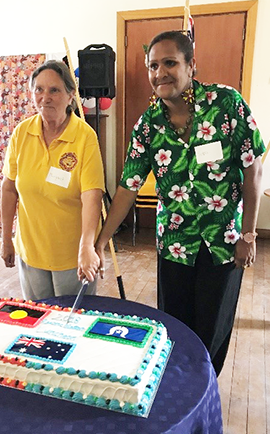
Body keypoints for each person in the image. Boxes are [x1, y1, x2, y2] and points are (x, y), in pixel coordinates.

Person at [95, 31, 265, 376]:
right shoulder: (148, 126)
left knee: (213, 329)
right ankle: (178, 392)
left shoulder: (226, 104)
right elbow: (128, 187)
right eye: (153, 66)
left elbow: (253, 168)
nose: (160, 73)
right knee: (173, 328)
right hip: (174, 245)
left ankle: (203, 393)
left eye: (170, 62)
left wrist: (248, 236)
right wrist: (100, 241)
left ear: (191, 65)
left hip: (224, 243)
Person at [0, 60, 105, 300]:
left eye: (54, 90)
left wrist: (87, 247)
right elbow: (9, 189)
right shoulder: (22, 133)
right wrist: (7, 239)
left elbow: (92, 195)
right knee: (39, 322)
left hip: (72, 256)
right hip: (31, 251)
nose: (45, 97)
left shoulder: (84, 137)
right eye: (39, 89)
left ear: (70, 96)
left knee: (73, 325)